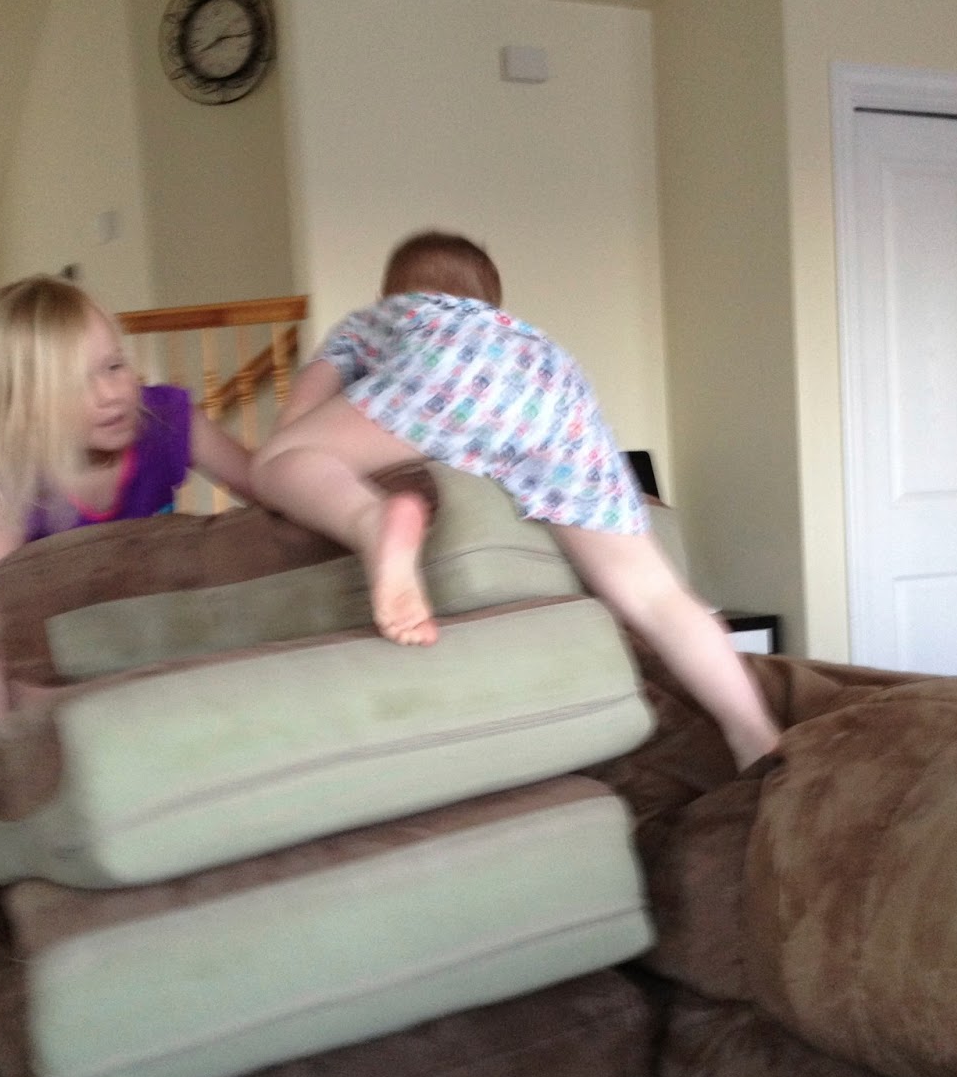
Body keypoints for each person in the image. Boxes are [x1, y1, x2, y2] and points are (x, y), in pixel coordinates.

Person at [252, 231, 780, 770]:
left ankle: (371, 522)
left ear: (390, 293)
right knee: (656, 593)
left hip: (449, 368)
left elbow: (294, 425)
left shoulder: (381, 319)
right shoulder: (516, 333)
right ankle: (753, 733)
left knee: (277, 459)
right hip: (556, 388)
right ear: (491, 301)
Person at [0, 274, 254, 732]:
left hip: (159, 640)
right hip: (66, 671)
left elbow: (268, 486)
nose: (112, 394)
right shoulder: (3, 481)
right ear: (20, 406)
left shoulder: (166, 420)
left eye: (114, 366)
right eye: (72, 384)